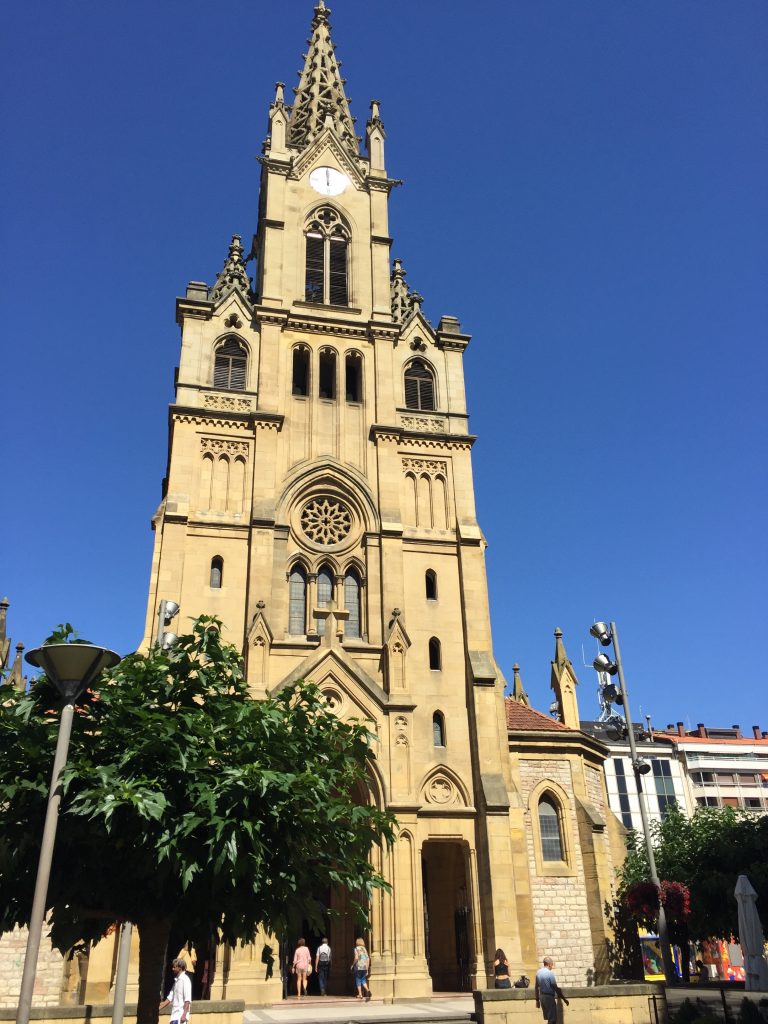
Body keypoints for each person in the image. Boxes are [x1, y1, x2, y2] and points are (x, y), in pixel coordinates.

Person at [535, 956, 568, 1024]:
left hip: (542, 997)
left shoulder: (538, 972)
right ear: (549, 964)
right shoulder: (550, 973)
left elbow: (536, 987)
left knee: (549, 1018)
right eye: (552, 964)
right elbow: (555, 988)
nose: (552, 966)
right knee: (552, 1019)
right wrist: (564, 999)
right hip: (549, 997)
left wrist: (537, 1000)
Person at [159, 957, 192, 1024]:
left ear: (180, 968)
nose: (173, 969)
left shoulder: (185, 980)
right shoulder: (177, 981)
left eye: (174, 967)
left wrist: (184, 1015)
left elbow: (187, 999)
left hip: (180, 1016)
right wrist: (158, 1008)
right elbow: (169, 998)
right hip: (174, 1016)